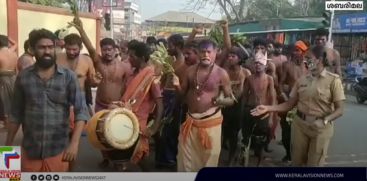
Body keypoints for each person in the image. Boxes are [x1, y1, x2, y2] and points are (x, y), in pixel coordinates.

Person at [5, 28, 89, 172]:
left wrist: (74, 144)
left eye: (50, 47)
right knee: (10, 175)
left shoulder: (68, 77)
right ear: (32, 49)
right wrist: (7, 148)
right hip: (30, 150)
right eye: (42, 47)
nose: (47, 51)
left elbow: (80, 112)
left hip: (59, 150)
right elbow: (15, 114)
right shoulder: (23, 77)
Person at [251, 46, 345, 166]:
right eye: (305, 58)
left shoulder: (333, 81)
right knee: (297, 162)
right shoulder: (302, 80)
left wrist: (325, 120)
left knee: (314, 164)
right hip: (300, 125)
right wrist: (268, 108)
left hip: (320, 128)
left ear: (319, 60)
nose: (306, 61)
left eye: (309, 58)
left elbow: (340, 110)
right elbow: (289, 104)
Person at [70, 15, 131, 168]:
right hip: (101, 105)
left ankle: (118, 161)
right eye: (104, 50)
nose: (107, 53)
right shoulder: (98, 62)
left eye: (110, 49)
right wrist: (81, 29)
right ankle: (105, 158)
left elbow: (129, 86)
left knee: (116, 133)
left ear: (115, 50)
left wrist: (123, 103)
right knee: (100, 134)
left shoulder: (124, 66)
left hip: (117, 106)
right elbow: (90, 47)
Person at [173, 39, 234, 171]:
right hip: (191, 122)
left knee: (210, 157)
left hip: (211, 123)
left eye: (209, 52)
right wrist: (177, 85)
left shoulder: (221, 73)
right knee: (186, 159)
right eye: (202, 52)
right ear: (198, 53)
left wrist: (220, 101)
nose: (205, 55)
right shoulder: (190, 71)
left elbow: (231, 100)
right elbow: (182, 95)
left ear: (215, 53)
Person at [108, 42, 163, 171]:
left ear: (142, 58)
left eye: (132, 56)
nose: (128, 59)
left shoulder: (151, 78)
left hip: (138, 125)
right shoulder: (132, 74)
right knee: (119, 158)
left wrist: (154, 128)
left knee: (141, 158)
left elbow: (160, 105)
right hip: (123, 120)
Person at [241, 51, 276, 166]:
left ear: (265, 65)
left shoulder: (269, 79)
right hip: (249, 110)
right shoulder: (249, 78)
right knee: (246, 138)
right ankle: (244, 160)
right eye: (256, 63)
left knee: (260, 139)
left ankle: (259, 161)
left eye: (260, 63)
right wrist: (243, 111)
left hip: (263, 112)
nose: (258, 65)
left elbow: (272, 98)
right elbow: (245, 95)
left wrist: (270, 118)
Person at [278, 40, 310, 162]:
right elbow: (281, 84)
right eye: (294, 50)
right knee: (286, 134)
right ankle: (288, 154)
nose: (295, 52)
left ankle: (300, 158)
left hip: (303, 104)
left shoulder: (308, 67)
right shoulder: (287, 65)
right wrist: (284, 97)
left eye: (298, 50)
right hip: (288, 102)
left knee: (301, 135)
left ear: (303, 52)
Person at [222, 46, 251, 166]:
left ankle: (231, 158)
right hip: (223, 106)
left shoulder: (246, 73)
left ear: (240, 59)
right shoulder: (224, 71)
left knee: (234, 135)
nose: (229, 58)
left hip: (238, 108)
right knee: (224, 132)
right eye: (228, 56)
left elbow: (245, 92)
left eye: (233, 56)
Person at [0, 35, 18, 130]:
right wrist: (8, 37)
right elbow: (15, 43)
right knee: (12, 99)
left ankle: (7, 125)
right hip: (13, 77)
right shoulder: (12, 51)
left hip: (3, 78)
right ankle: (12, 123)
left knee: (5, 100)